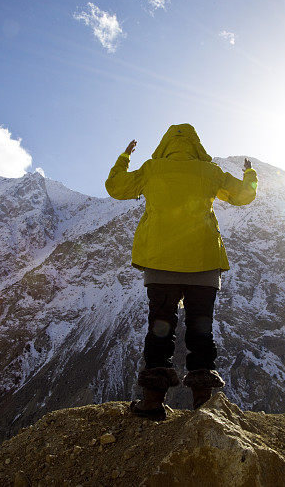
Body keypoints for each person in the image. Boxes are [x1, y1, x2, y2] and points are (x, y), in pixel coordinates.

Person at [104, 123, 258, 420]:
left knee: (160, 331)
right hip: (204, 264)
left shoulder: (151, 170)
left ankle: (151, 403)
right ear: (197, 145)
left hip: (161, 266)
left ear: (164, 145)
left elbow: (116, 188)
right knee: (201, 330)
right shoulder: (210, 172)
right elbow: (243, 197)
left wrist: (124, 158)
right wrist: (249, 175)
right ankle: (203, 404)